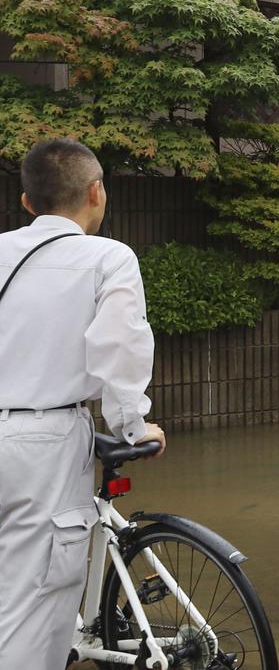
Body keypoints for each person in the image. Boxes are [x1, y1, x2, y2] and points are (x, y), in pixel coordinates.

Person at [0, 138, 165, 669]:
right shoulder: (108, 258)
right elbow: (119, 350)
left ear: (27, 203)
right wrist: (135, 428)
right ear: (97, 192)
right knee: (36, 606)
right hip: (43, 445)